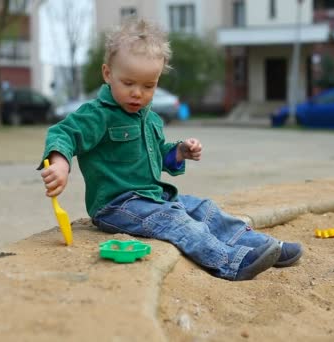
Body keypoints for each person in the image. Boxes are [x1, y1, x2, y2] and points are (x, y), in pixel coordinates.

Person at [39, 19, 303, 281]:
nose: (137, 94)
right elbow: (63, 133)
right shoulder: (98, 115)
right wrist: (60, 162)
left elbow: (157, 157)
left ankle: (263, 246)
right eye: (128, 83)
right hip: (117, 206)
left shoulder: (150, 118)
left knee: (204, 209)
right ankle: (230, 262)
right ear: (108, 74)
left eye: (148, 86)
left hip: (153, 197)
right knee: (176, 221)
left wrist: (178, 152)